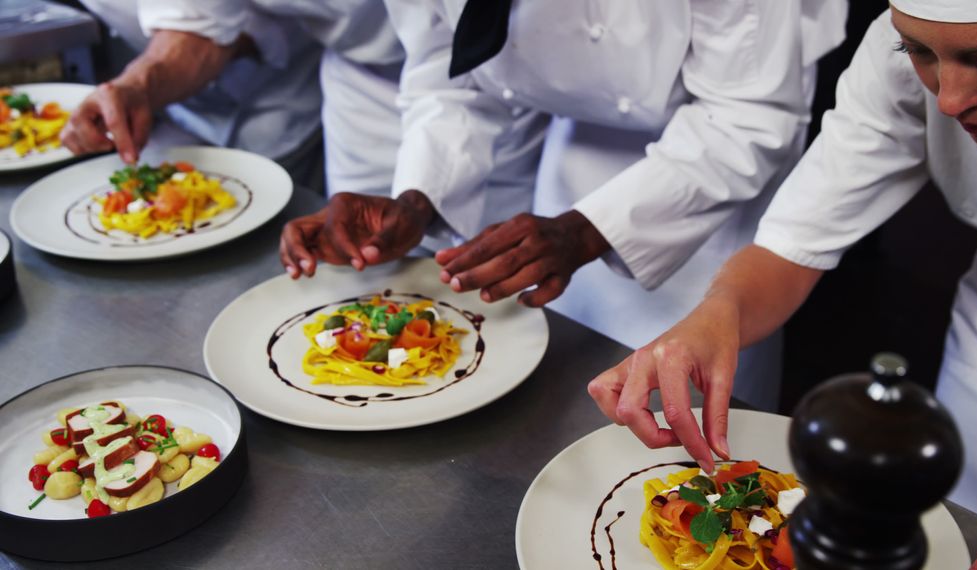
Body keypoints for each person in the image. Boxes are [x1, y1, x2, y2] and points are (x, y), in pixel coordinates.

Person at [586, 0, 977, 567]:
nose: (948, 99)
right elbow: (797, 240)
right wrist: (718, 312)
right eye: (917, 51)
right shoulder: (918, 43)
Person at [278, 0, 847, 411]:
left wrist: (588, 229)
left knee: (688, 417)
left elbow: (750, 116)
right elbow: (450, 68)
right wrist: (416, 199)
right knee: (560, 398)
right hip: (572, 153)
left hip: (713, 181)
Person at [63, 0, 403, 197]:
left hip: (293, 91)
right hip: (180, 105)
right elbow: (198, 19)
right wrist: (137, 87)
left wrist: (139, 84)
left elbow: (199, 27)